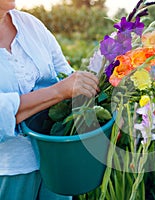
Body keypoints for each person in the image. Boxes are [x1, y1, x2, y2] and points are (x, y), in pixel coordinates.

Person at [0, 0, 100, 199]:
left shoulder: (30, 25)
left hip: (55, 163)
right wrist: (58, 91)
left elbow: (66, 76)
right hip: (9, 171)